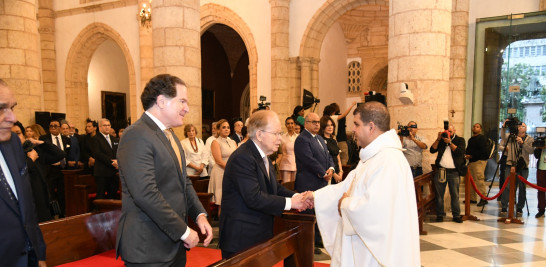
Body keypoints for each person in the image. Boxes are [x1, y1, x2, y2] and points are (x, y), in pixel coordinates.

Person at [308, 101, 420, 267]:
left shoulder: (388, 160)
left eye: (356, 124)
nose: (353, 129)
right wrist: (315, 196)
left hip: (375, 255)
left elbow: (375, 210)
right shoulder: (373, 157)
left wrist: (344, 204)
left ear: (371, 127)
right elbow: (347, 186)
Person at [116, 74, 212, 266]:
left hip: (172, 243)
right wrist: (184, 231)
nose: (187, 108)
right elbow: (145, 194)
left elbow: (183, 182)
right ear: (161, 101)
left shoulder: (170, 136)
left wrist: (199, 214)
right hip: (148, 248)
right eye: (182, 101)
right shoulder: (136, 134)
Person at [219, 110, 312, 259]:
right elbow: (253, 197)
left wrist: (297, 196)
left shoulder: (264, 157)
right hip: (242, 237)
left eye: (280, 133)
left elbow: (275, 188)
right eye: (276, 133)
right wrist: (292, 203)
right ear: (259, 135)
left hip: (258, 233)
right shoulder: (243, 157)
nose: (280, 139)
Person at [0, 79, 47, 267]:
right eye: (1, 108)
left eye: (12, 107)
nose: (12, 117)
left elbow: (27, 206)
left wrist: (40, 254)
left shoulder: (13, 144)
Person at [294, 112, 335, 254]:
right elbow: (308, 160)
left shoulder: (319, 138)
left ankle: (317, 238)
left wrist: (331, 168)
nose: (317, 124)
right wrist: (323, 173)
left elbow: (328, 155)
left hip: (320, 182)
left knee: (318, 211)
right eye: (314, 122)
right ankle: (308, 243)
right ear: (306, 123)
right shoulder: (302, 139)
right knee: (309, 214)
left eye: (318, 122)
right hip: (308, 182)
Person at [430, 124, 466, 223]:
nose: (448, 133)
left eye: (450, 131)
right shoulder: (441, 140)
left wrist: (450, 142)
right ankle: (440, 214)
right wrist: (438, 139)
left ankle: (456, 215)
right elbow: (432, 150)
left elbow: (460, 152)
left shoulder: (460, 140)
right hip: (441, 170)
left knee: (455, 194)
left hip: (454, 171)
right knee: (439, 194)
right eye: (446, 131)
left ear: (454, 131)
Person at [499, 121, 534, 217]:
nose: (520, 128)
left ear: (526, 129)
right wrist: (504, 126)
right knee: (507, 186)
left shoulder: (530, 139)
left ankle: (519, 208)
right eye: (519, 126)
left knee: (522, 188)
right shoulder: (511, 136)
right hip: (510, 164)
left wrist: (522, 143)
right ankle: (504, 206)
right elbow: (502, 137)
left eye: (522, 126)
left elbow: (531, 151)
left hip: (523, 166)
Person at [39, 119, 70, 217]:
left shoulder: (66, 139)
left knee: (62, 193)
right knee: (50, 193)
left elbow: (68, 153)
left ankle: (62, 213)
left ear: (60, 128)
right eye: (51, 126)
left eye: (55, 126)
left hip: (63, 170)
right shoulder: (44, 138)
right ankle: (52, 214)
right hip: (50, 170)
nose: (53, 128)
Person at [208, 119, 237, 215]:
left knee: (232, 201)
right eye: (223, 127)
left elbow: (237, 157)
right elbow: (219, 161)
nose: (226, 129)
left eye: (228, 127)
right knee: (222, 201)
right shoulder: (215, 142)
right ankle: (223, 228)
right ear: (218, 130)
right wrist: (232, 169)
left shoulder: (233, 142)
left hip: (231, 172)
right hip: (221, 172)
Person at [91, 118, 119, 199]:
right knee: (101, 194)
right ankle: (99, 211)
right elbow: (98, 154)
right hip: (102, 172)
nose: (107, 127)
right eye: (105, 125)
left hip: (113, 172)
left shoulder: (114, 139)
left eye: (108, 125)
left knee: (113, 194)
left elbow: (118, 152)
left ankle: (111, 211)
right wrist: (112, 162)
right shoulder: (95, 139)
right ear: (99, 127)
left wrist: (118, 161)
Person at [465, 123, 489, 206]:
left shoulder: (482, 138)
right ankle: (472, 198)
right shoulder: (471, 139)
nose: (475, 128)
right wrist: (466, 155)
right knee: (471, 180)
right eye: (474, 126)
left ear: (480, 129)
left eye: (477, 127)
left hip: (479, 161)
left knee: (479, 179)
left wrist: (472, 155)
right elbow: (468, 149)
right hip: (471, 161)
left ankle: (483, 198)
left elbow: (482, 151)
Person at [319, 116, 343, 183]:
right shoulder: (321, 141)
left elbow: (338, 158)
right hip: (329, 173)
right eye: (327, 125)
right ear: (323, 127)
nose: (330, 127)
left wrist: (341, 171)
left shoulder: (333, 140)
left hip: (338, 171)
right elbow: (324, 161)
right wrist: (334, 175)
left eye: (331, 125)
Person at [277, 117, 298, 183]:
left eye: (292, 123)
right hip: (285, 164)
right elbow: (278, 151)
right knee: (286, 185)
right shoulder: (282, 137)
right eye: (288, 123)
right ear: (285, 125)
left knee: (295, 185)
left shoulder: (299, 137)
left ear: (294, 124)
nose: (290, 125)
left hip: (296, 163)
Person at [534, 142, 546, 218]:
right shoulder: (542, 141)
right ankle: (541, 209)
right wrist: (538, 148)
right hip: (541, 168)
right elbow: (536, 156)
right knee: (540, 190)